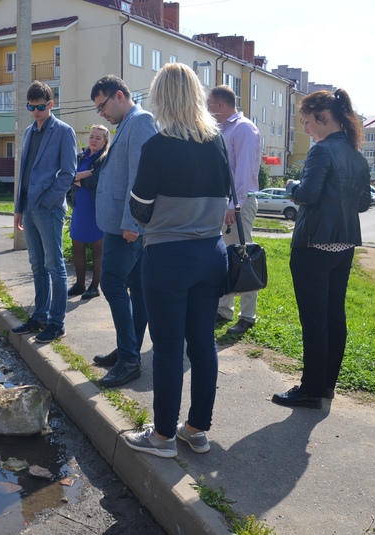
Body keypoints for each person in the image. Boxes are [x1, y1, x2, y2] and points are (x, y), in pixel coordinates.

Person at [122, 63, 231, 458]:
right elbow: (225, 199)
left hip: (168, 256)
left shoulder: (158, 145)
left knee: (167, 349)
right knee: (203, 346)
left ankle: (163, 436)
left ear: (160, 97)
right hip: (211, 254)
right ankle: (197, 430)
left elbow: (140, 209)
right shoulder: (216, 141)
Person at [272, 89, 370, 409]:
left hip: (313, 246)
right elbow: (365, 203)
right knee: (333, 316)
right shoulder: (356, 153)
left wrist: (290, 186)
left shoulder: (322, 151)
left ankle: (310, 390)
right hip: (344, 246)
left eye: (307, 121)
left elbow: (308, 194)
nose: (305, 129)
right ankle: (326, 385)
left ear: (323, 118)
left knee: (314, 321)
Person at [89, 75, 157, 388]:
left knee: (112, 282)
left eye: (102, 106)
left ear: (119, 96)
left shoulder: (140, 122)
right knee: (139, 288)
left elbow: (141, 178)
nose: (101, 113)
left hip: (126, 226)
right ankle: (128, 348)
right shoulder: (128, 123)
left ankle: (130, 358)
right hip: (121, 224)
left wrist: (133, 223)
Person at [12, 81, 77, 343]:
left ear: (50, 104)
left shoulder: (63, 131)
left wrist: (49, 200)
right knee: (37, 265)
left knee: (54, 265)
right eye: (31, 106)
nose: (36, 111)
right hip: (28, 206)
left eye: (40, 106)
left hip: (49, 210)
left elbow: (68, 173)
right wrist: (19, 207)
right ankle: (39, 317)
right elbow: (24, 171)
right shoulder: (29, 131)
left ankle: (56, 322)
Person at [207, 85, 262, 336]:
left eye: (209, 105)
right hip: (224, 203)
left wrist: (234, 205)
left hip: (238, 203)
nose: (207, 110)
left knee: (243, 256)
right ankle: (223, 309)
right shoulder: (223, 129)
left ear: (220, 105)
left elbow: (243, 172)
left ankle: (248, 316)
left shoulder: (243, 128)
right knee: (225, 257)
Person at [68, 125, 110, 300]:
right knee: (78, 247)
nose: (93, 140)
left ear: (105, 141)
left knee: (97, 249)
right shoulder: (79, 157)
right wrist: (81, 175)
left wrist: (79, 179)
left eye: (98, 138)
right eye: (92, 136)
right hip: (79, 208)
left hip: (95, 209)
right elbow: (66, 176)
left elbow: (98, 180)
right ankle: (79, 284)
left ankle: (94, 287)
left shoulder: (105, 159)